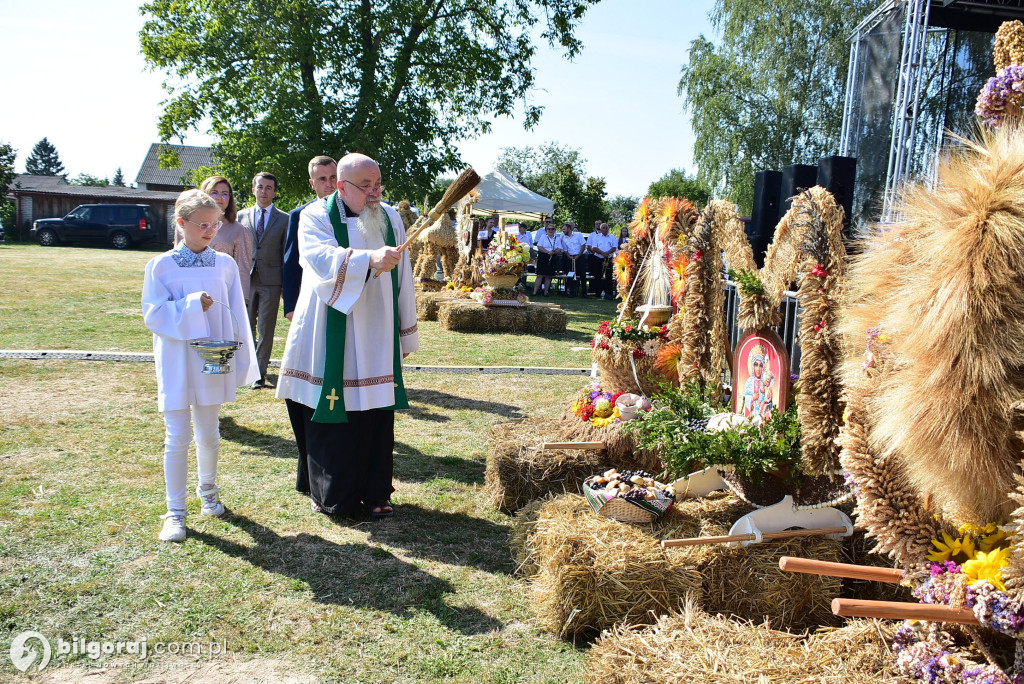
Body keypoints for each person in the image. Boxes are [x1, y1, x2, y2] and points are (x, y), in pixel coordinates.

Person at [276, 153, 419, 519]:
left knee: (374, 413)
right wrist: (369, 260)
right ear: (341, 186)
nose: (375, 193)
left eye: (378, 184)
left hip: (376, 328)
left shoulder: (390, 218)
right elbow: (319, 258)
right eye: (365, 186)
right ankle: (331, 493)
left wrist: (404, 333)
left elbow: (405, 281)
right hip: (328, 326)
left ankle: (375, 491)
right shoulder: (315, 215)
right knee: (330, 410)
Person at [142, 189, 259, 542]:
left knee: (209, 433)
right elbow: (154, 314)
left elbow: (236, 310)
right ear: (181, 223)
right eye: (203, 225)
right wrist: (192, 305)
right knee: (177, 437)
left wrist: (240, 358)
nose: (211, 231)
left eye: (216, 224)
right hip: (177, 358)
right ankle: (175, 512)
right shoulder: (161, 265)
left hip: (212, 356)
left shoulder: (223, 264)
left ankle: (208, 492)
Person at [283, 155, 338, 496]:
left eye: (334, 177)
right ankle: (308, 469)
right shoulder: (302, 215)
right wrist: (291, 308)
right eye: (322, 179)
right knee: (306, 393)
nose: (329, 184)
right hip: (310, 307)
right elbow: (291, 263)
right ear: (312, 183)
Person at [239, 172, 288, 389]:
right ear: (253, 190)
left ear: (275, 192)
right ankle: (247, 368)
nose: (264, 191)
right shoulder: (241, 217)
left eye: (268, 188)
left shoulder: (284, 219)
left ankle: (259, 373)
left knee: (266, 328)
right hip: (247, 278)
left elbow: (286, 253)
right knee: (246, 325)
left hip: (271, 279)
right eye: (260, 187)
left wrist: (285, 287)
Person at [198, 176, 253, 303]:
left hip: (223, 295)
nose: (219, 198)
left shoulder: (239, 230)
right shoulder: (188, 225)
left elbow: (242, 270)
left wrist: (242, 301)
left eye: (225, 194)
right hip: (192, 292)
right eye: (214, 192)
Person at [587, 222, 618, 299]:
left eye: (606, 228)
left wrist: (607, 253)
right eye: (603, 228)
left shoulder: (612, 237)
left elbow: (614, 247)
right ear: (600, 229)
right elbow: (594, 247)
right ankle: (598, 293)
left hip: (608, 258)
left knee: (608, 276)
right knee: (598, 276)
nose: (605, 229)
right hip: (598, 258)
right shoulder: (596, 237)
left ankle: (608, 294)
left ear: (608, 229)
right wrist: (602, 253)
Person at [559, 222, 586, 297]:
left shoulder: (578, 235)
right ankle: (571, 292)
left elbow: (583, 245)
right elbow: (565, 250)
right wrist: (570, 257)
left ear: (569, 229)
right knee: (570, 275)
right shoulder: (564, 238)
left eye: (564, 229)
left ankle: (584, 293)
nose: (563, 231)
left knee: (582, 275)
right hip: (570, 257)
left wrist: (578, 255)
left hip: (580, 256)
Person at [533, 221, 560, 296]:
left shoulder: (557, 238)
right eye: (549, 229)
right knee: (539, 275)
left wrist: (553, 252)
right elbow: (539, 246)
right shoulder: (543, 237)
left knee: (548, 276)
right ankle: (534, 292)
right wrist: (548, 252)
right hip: (543, 256)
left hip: (552, 256)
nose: (550, 231)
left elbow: (559, 249)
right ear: (546, 230)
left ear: (555, 230)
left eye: (552, 229)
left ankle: (545, 292)